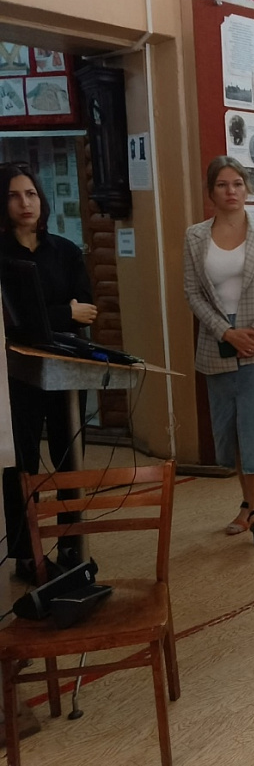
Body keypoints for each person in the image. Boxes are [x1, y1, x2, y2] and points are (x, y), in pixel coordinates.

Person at [183, 156, 254, 546]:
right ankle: (247, 504)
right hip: (219, 340)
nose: (230, 191)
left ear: (247, 189)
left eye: (237, 184)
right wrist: (227, 332)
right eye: (222, 185)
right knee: (229, 427)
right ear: (211, 192)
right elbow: (193, 293)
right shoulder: (195, 236)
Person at [1, 162, 98, 580]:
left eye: (31, 194)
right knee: (21, 463)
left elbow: (87, 309)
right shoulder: (2, 255)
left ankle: (72, 546)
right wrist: (63, 313)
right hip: (15, 373)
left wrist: (57, 316)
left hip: (65, 368)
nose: (25, 203)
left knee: (68, 458)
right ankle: (26, 553)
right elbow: (13, 322)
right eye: (14, 195)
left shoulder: (66, 251)